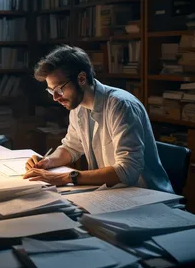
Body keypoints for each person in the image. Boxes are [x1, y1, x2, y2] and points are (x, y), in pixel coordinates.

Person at [23, 45, 174, 193]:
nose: (55, 98)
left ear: (81, 78)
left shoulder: (121, 105)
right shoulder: (78, 106)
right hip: (111, 193)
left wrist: (65, 177)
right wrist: (48, 161)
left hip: (146, 197)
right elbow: (71, 147)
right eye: (51, 91)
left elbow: (127, 171)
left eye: (59, 89)